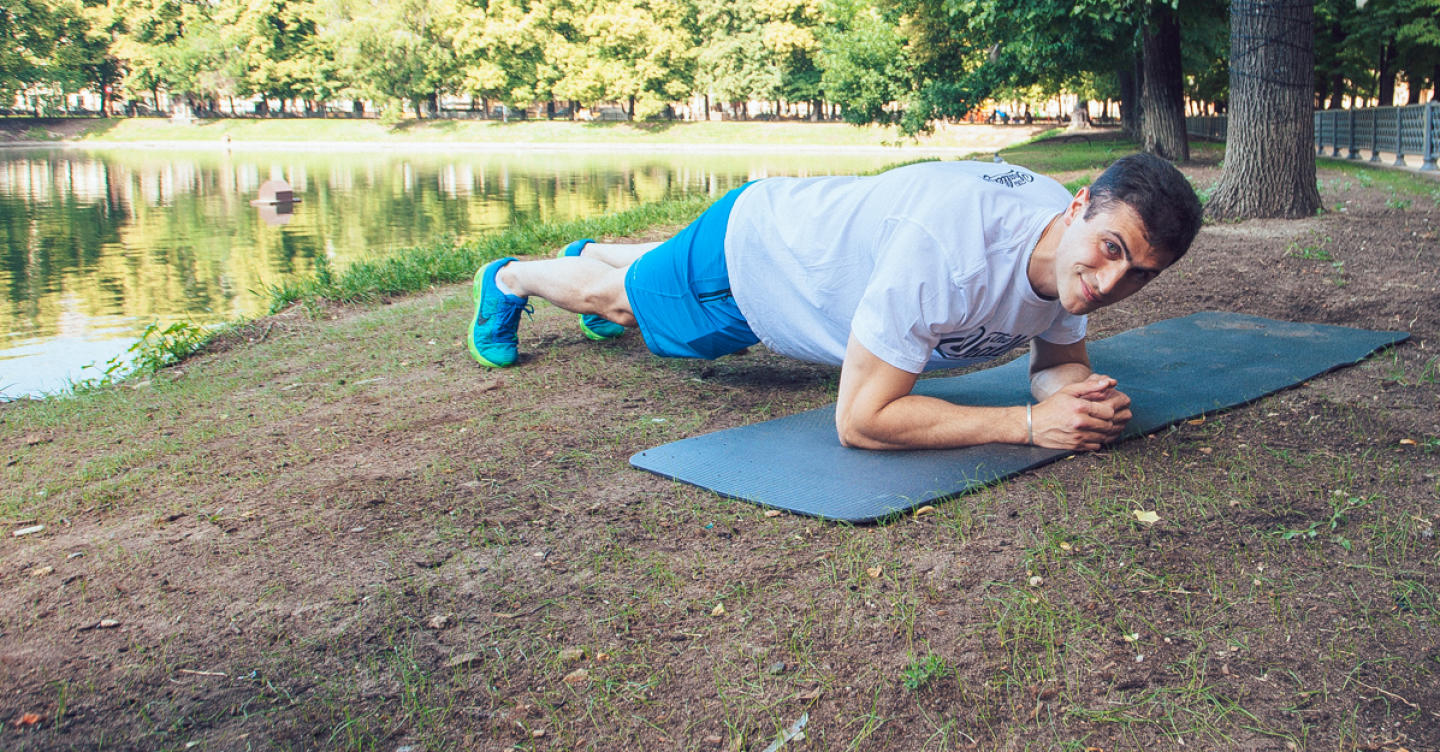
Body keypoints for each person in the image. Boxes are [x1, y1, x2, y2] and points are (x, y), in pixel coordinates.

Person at [466, 153, 1202, 453]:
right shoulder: (947, 253)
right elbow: (859, 422)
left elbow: (1057, 359)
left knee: (644, 284)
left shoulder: (1074, 257)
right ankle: (517, 277)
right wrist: (1030, 423)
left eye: (1140, 273)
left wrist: (1083, 398)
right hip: (755, 256)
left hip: (801, 255)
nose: (1110, 285)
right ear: (1079, 209)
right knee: (622, 306)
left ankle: (598, 253)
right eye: (1111, 251)